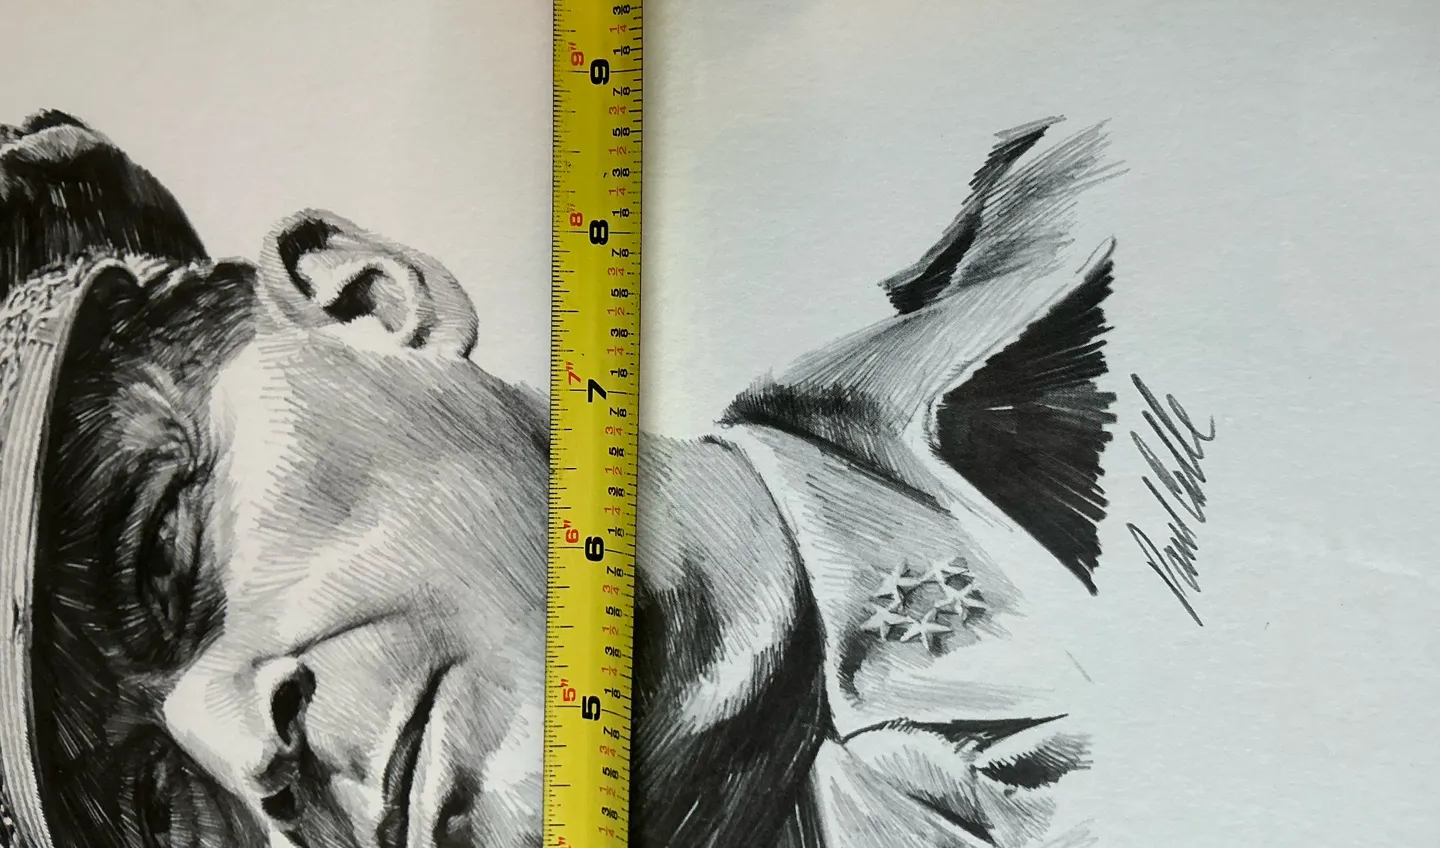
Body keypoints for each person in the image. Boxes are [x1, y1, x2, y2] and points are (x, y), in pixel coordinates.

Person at [0, 109, 1117, 848]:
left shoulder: (1101, 251)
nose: (245, 755)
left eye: (158, 553)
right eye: (145, 803)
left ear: (370, 300)